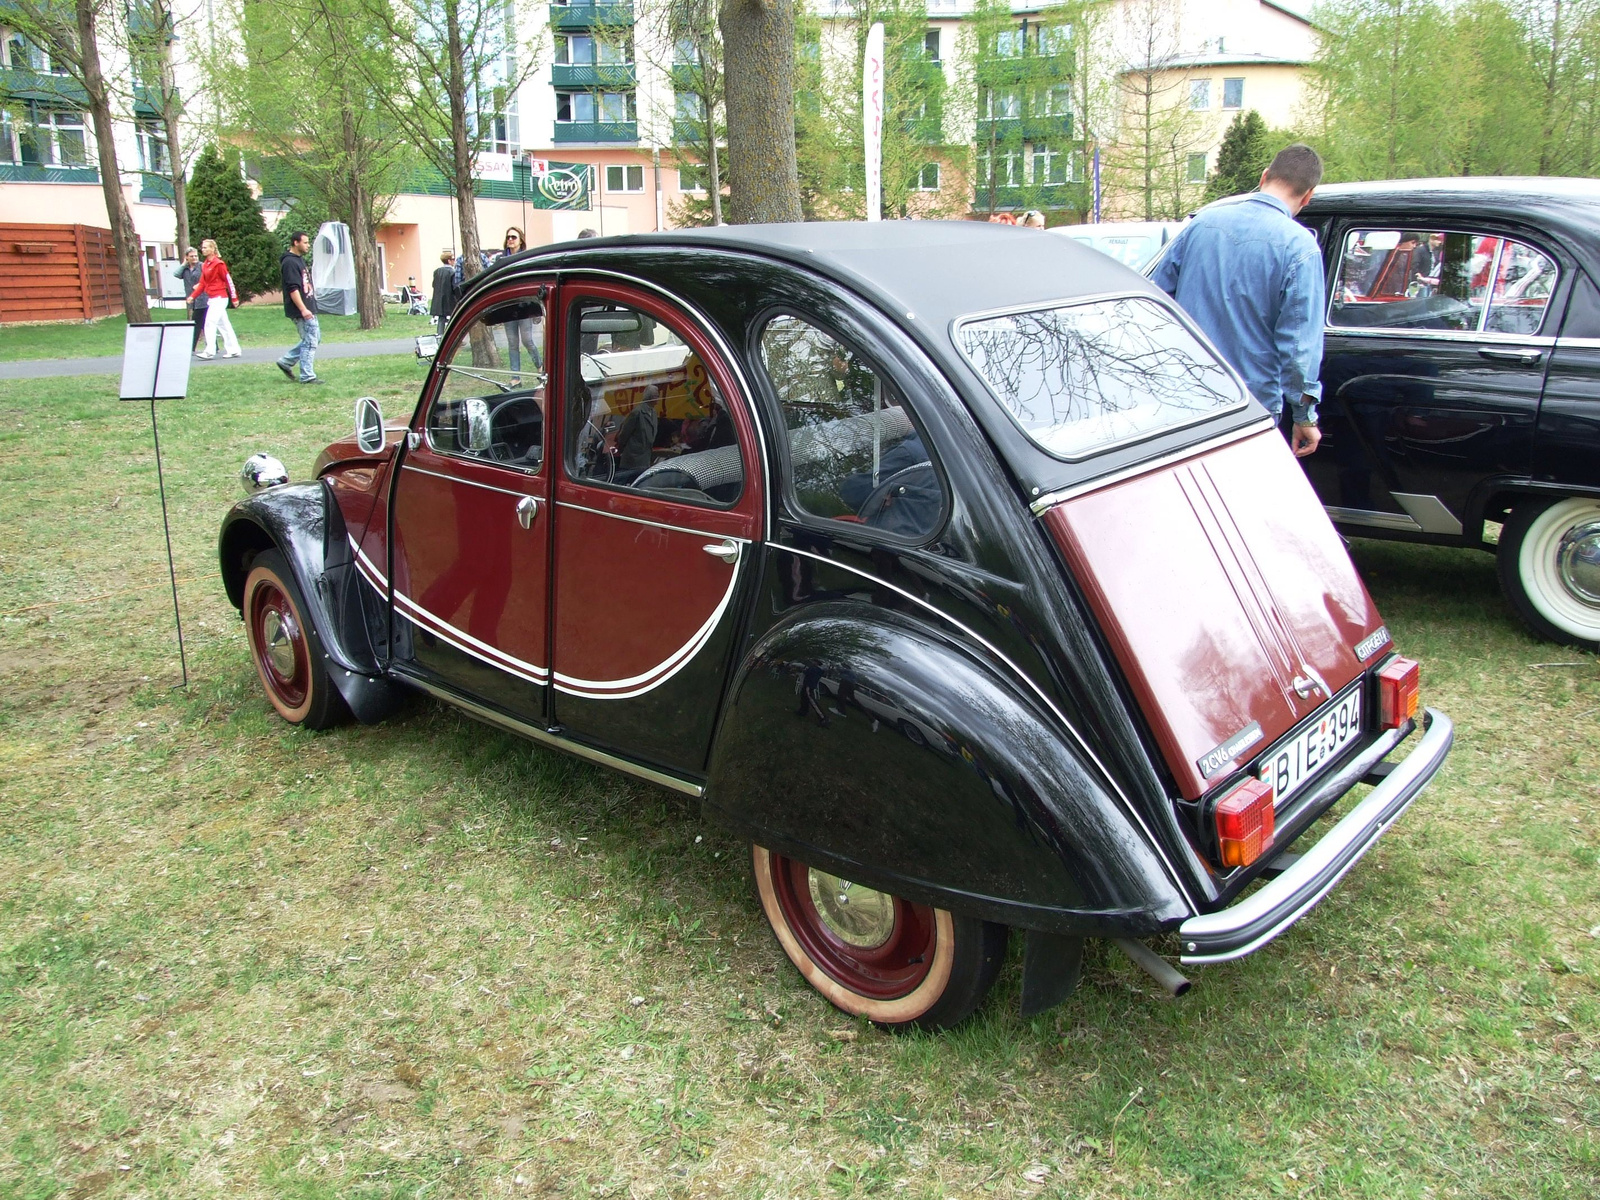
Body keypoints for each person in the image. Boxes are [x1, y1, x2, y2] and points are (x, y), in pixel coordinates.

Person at [1150, 142, 1325, 458]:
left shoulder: (1203, 222)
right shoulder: (1300, 248)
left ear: (1264, 176)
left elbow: (1153, 298)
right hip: (1248, 406)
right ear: (1308, 195)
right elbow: (1299, 349)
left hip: (1183, 394)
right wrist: (1305, 415)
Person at [275, 231, 321, 385]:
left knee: (314, 338)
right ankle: (307, 376)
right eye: (305, 242)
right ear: (296, 243)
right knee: (310, 342)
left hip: (308, 306)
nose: (308, 245)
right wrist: (303, 309)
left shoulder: (298, 260)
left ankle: (286, 361)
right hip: (301, 309)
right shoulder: (289, 262)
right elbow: (293, 289)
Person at [188, 238, 241, 360]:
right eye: (203, 247)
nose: (203, 249)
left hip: (220, 297)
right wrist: (192, 296)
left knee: (210, 322)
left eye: (206, 247)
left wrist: (234, 298)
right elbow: (202, 283)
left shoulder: (219, 264)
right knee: (224, 325)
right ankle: (234, 349)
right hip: (212, 298)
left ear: (212, 249)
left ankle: (209, 351)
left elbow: (228, 280)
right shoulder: (205, 265)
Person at [499, 227, 541, 381]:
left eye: (513, 237)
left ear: (521, 240)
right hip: (507, 306)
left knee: (527, 340)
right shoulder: (501, 260)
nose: (510, 240)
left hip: (524, 306)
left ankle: (540, 367)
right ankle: (515, 377)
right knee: (512, 343)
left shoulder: (526, 258)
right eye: (508, 237)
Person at [178, 247, 204, 352]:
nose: (194, 258)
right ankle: (214, 346)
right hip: (192, 300)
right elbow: (176, 274)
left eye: (196, 256)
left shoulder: (201, 266)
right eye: (191, 256)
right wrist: (184, 264)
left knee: (197, 323)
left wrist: (200, 284)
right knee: (204, 323)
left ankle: (192, 347)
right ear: (187, 257)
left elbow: (207, 277)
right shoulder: (186, 269)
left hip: (203, 299)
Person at [429, 251, 457, 333]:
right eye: (453, 259)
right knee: (454, 318)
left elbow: (434, 284)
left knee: (441, 318)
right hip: (450, 299)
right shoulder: (452, 272)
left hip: (439, 299)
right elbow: (455, 286)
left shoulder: (437, 271)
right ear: (449, 261)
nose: (454, 261)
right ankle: (453, 336)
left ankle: (440, 335)